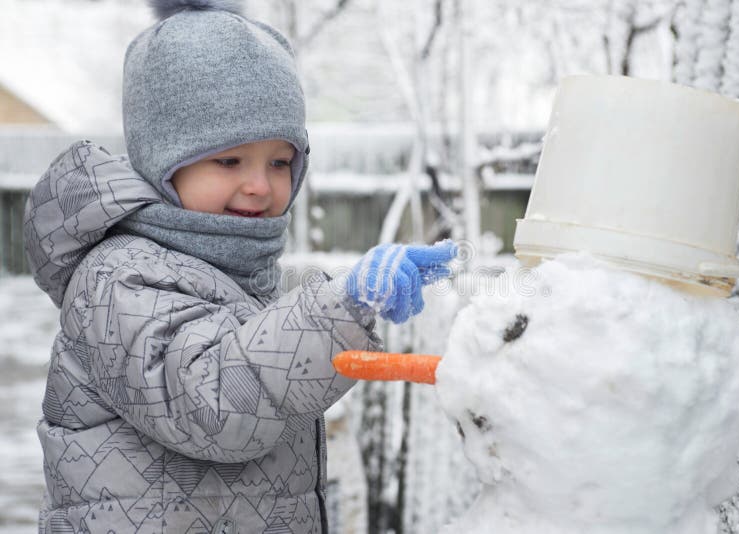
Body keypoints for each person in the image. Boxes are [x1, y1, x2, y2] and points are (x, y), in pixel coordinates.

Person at [22, 0, 456, 531]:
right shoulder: (117, 277)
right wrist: (341, 306)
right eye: (229, 160)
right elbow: (216, 404)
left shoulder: (234, 271)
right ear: (163, 162)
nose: (260, 184)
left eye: (280, 162)